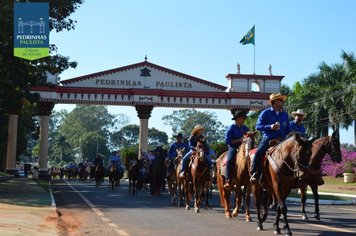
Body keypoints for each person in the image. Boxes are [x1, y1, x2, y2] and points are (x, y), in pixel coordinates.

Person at [250, 93, 291, 183]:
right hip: (269, 139)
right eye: (280, 100)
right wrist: (271, 126)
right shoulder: (265, 113)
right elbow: (258, 126)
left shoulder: (284, 114)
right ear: (275, 101)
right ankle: (254, 173)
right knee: (258, 153)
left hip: (282, 140)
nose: (282, 102)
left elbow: (288, 129)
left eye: (282, 100)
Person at [224, 110, 250, 189]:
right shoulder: (231, 128)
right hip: (233, 147)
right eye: (242, 118)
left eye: (244, 118)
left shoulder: (245, 128)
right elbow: (227, 141)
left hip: (245, 147)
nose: (244, 120)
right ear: (237, 119)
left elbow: (249, 136)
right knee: (230, 159)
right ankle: (228, 179)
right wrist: (240, 140)